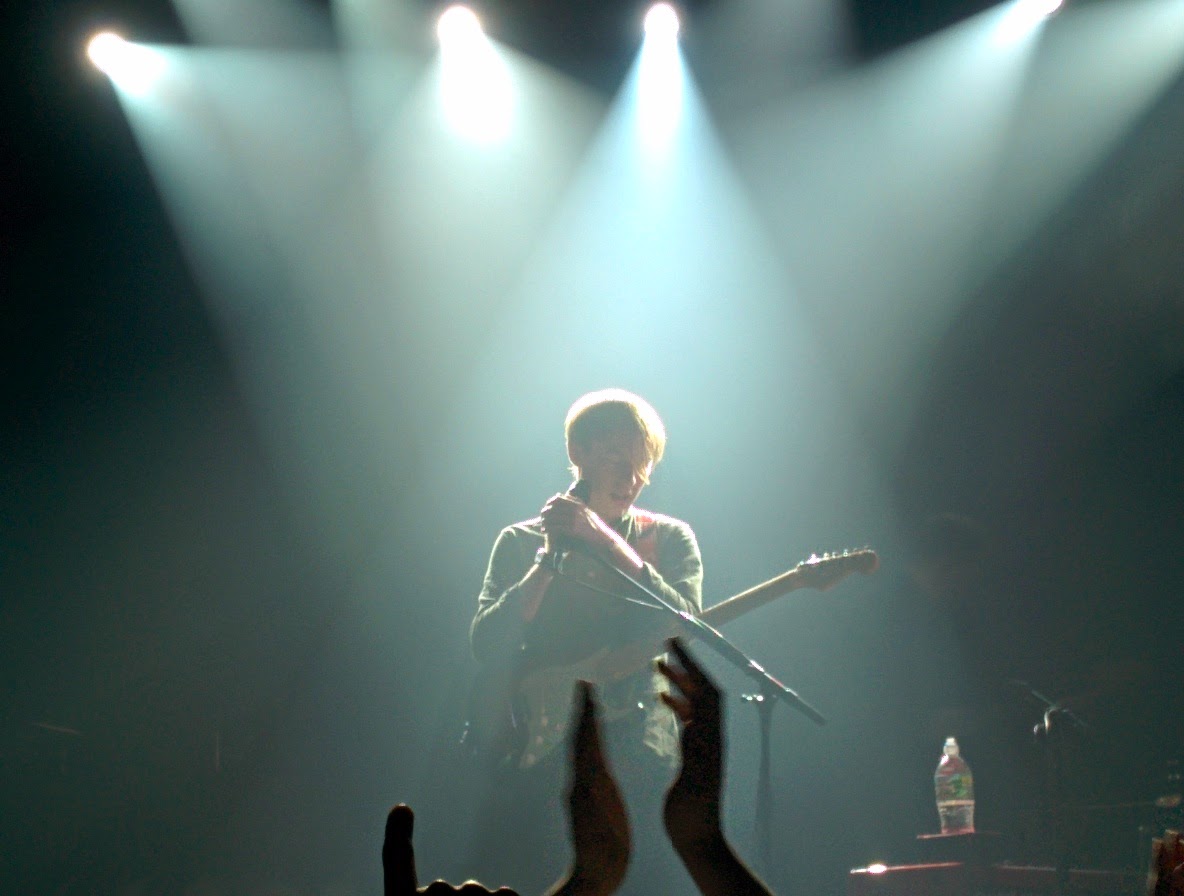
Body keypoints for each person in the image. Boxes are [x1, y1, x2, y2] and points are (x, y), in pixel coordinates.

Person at [468, 389, 703, 894]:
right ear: (579, 453)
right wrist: (547, 561)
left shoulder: (669, 539)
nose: (632, 480)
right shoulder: (519, 541)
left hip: (641, 757)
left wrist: (606, 542)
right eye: (619, 461)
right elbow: (488, 644)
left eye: (643, 468)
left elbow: (687, 622)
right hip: (543, 759)